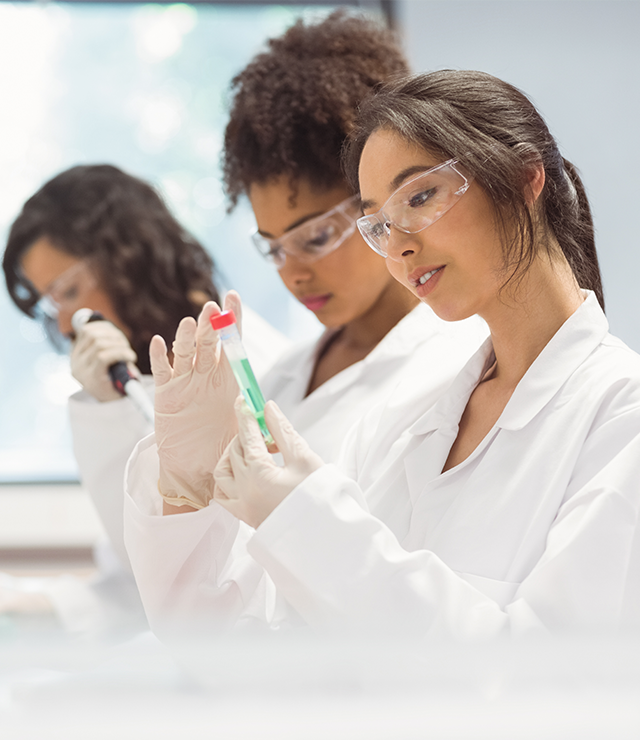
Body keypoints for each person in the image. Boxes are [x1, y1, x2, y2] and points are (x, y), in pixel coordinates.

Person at [124, 68, 640, 639]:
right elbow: (251, 646)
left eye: (420, 197)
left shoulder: (621, 415)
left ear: (524, 179)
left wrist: (307, 519)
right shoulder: (403, 421)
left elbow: (553, 679)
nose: (398, 246)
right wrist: (184, 488)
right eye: (379, 224)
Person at [2, 163, 289, 634]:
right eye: (50, 304)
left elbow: (224, 580)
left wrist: (115, 412)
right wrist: (27, 609)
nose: (65, 323)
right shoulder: (128, 385)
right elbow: (134, 580)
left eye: (69, 291)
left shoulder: (249, 365)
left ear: (131, 258)